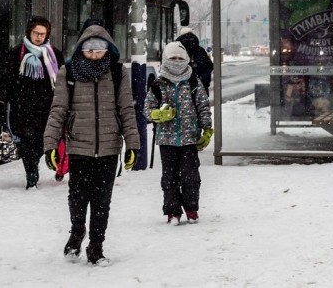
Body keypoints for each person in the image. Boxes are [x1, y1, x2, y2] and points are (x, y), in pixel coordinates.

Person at [42, 23, 140, 265]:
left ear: (108, 49)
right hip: (79, 147)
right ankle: (77, 233)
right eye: (89, 50)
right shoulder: (70, 72)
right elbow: (58, 110)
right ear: (81, 49)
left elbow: (126, 109)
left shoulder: (117, 73)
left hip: (109, 148)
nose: (95, 55)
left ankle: (96, 247)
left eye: (100, 50)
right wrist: (50, 145)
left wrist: (133, 144)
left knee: (101, 202)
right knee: (77, 197)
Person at [145, 41, 213, 225]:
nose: (176, 61)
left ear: (187, 60)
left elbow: (203, 107)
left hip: (190, 139)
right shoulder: (158, 85)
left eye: (180, 58)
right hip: (166, 140)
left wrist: (207, 130)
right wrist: (157, 114)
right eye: (172, 58)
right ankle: (173, 211)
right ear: (165, 59)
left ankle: (191, 208)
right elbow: (148, 108)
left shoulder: (193, 83)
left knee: (191, 176)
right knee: (169, 177)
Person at [0, 16, 64, 189]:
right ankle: (31, 173)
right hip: (23, 108)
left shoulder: (54, 54)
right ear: (29, 32)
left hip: (47, 108)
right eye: (36, 33)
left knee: (42, 142)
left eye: (42, 34)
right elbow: (6, 79)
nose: (39, 37)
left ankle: (39, 164)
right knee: (27, 143)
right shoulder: (17, 53)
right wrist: (6, 98)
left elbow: (61, 80)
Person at [176, 26, 214, 94]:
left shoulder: (177, 49)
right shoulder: (200, 50)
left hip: (181, 88)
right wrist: (203, 80)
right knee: (200, 103)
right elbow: (209, 66)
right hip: (200, 87)